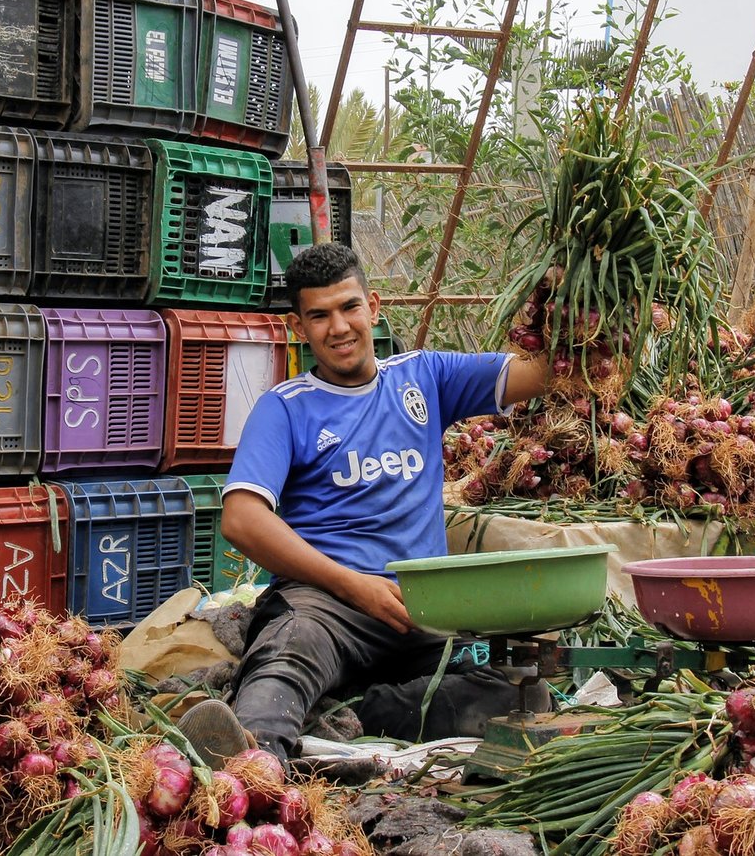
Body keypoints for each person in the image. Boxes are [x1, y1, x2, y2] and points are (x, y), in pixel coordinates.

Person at [178, 242, 549, 764]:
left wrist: (577, 298)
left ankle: (359, 713)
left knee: (520, 693)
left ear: (373, 306)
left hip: (424, 608)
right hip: (328, 605)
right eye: (319, 315)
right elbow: (241, 519)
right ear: (300, 327)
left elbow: (543, 372)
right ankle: (253, 770)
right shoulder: (284, 409)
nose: (339, 327)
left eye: (349, 307)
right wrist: (353, 586)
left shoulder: (425, 377)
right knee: (287, 656)